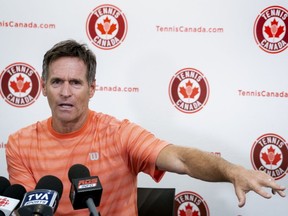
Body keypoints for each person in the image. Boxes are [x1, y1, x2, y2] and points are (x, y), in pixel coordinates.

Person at [5, 39, 286, 216]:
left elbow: (181, 158)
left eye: (75, 83)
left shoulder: (118, 133)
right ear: (43, 87)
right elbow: (31, 210)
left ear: (91, 89)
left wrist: (232, 171)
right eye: (56, 82)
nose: (65, 92)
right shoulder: (19, 143)